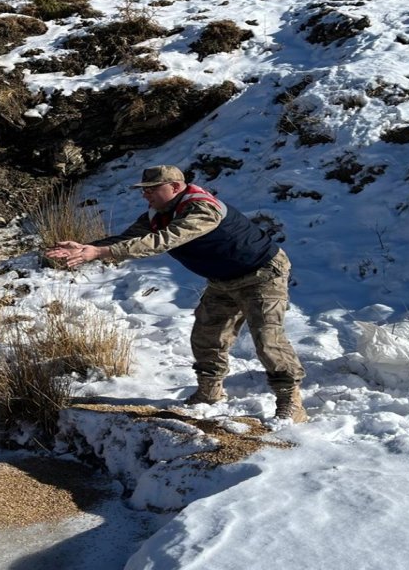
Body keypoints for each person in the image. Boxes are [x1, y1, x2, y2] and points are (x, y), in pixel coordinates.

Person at [45, 165, 307, 422]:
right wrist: (87, 248)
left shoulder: (203, 208)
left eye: (152, 189)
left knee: (267, 338)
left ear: (175, 187)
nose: (145, 194)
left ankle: (290, 401)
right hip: (223, 280)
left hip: (262, 274)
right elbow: (127, 239)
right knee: (206, 336)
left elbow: (164, 240)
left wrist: (100, 252)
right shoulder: (157, 214)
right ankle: (209, 393)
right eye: (144, 190)